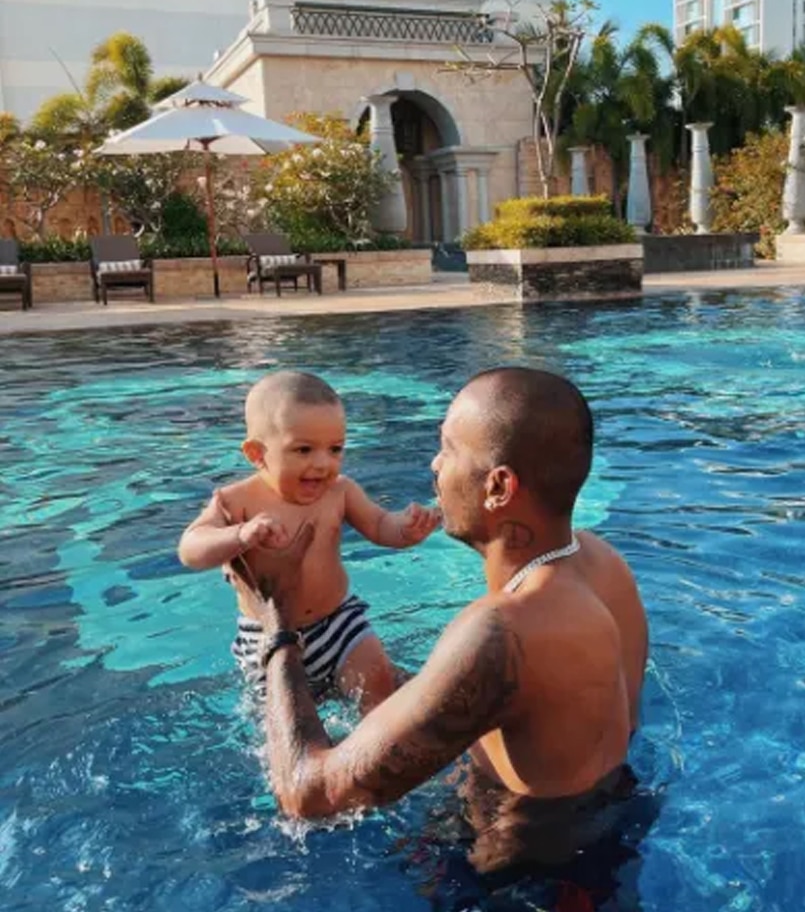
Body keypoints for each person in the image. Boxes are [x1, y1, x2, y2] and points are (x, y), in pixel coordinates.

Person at [231, 367, 649, 873]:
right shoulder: (604, 565)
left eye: (448, 449)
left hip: (522, 882)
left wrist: (278, 624)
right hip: (614, 833)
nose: (434, 465)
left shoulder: (499, 633)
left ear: (499, 486)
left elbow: (308, 797)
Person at [177, 371, 440, 712]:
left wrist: (405, 530)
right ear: (257, 454)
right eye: (303, 449)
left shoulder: (340, 491)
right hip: (266, 638)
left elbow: (378, 524)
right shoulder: (235, 502)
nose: (322, 463)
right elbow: (190, 549)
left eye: (335, 449)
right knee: (284, 733)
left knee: (382, 698)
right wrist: (238, 535)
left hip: (340, 625)